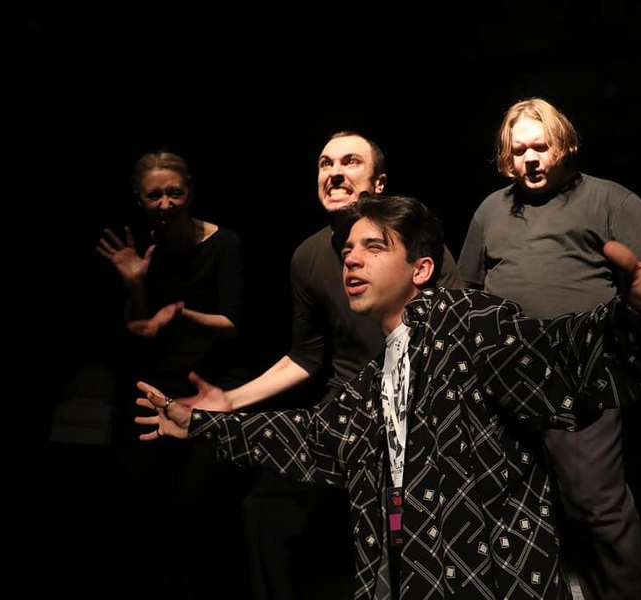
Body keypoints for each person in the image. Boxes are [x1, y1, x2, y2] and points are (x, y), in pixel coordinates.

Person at [136, 182, 641, 600]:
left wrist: (638, 322)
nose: (350, 259)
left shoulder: (471, 321)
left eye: (372, 246)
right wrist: (206, 423)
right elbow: (315, 439)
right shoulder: (374, 378)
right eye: (348, 250)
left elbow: (558, 359)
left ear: (421, 268)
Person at [171, 132, 460, 600]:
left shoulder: (417, 247)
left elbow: (454, 344)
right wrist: (231, 399)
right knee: (265, 508)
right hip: (345, 413)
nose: (335, 173)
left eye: (350, 162)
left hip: (416, 412)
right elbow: (306, 356)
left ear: (379, 183)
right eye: (326, 164)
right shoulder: (307, 257)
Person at [458, 97, 641, 599]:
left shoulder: (608, 199)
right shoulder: (491, 210)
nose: (530, 159)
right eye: (519, 150)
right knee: (517, 505)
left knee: (593, 501)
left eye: (541, 147)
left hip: (581, 369)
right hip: (506, 375)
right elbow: (468, 290)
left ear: (564, 145)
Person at [96, 151, 250, 598]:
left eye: (174, 193)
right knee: (141, 505)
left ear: (190, 192)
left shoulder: (224, 243)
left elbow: (232, 323)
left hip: (208, 384)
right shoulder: (137, 247)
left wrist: (182, 315)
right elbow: (138, 330)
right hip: (151, 384)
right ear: (140, 199)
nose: (165, 203)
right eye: (154, 196)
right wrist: (134, 284)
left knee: (196, 505)